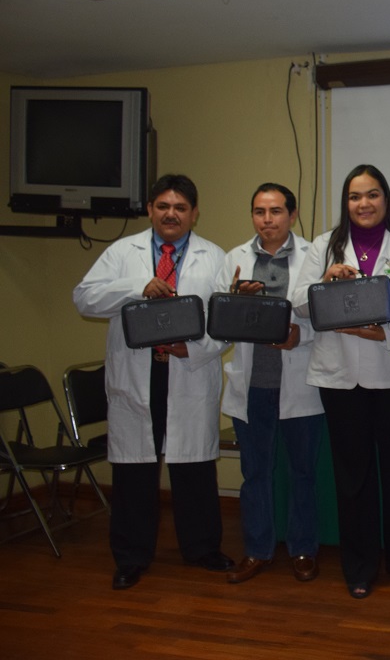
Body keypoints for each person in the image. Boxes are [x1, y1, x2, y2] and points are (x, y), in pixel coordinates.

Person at [73, 173, 234, 590]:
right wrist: (135, 288)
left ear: (194, 214)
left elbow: (225, 322)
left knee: (194, 468)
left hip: (187, 370)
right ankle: (130, 557)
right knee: (134, 472)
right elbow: (84, 298)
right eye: (163, 206)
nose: (171, 214)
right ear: (150, 210)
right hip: (136, 373)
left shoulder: (214, 257)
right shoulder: (121, 253)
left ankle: (203, 549)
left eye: (180, 207)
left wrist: (193, 350)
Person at [291, 164, 390, 599]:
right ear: (345, 202)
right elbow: (297, 305)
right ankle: (359, 568)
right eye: (354, 196)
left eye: (372, 195)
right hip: (340, 379)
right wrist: (323, 283)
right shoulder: (324, 246)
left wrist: (385, 334)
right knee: (353, 478)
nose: (363, 204)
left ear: (386, 198)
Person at [217, 183, 324, 584]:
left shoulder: (314, 255)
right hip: (253, 387)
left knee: (302, 472)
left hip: (300, 383)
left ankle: (302, 549)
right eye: (259, 212)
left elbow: (324, 316)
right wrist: (238, 303)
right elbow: (218, 323)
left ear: (292, 215)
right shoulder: (235, 259)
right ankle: (257, 550)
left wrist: (301, 336)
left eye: (276, 211)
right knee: (255, 473)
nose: (267, 220)